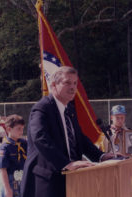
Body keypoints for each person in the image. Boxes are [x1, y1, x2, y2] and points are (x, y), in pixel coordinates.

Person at [20, 66, 114, 197]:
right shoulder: (42, 108)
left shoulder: (69, 109)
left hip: (71, 178)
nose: (73, 87)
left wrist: (100, 156)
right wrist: (66, 163)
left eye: (75, 83)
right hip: (47, 181)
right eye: (67, 82)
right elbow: (40, 138)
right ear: (53, 85)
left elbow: (79, 138)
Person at [0, 114, 27, 197]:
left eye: (22, 129)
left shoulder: (24, 143)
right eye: (18, 129)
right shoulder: (5, 148)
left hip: (22, 181)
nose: (21, 132)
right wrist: (7, 189)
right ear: (9, 129)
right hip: (10, 183)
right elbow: (3, 170)